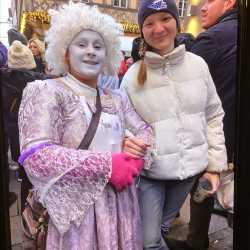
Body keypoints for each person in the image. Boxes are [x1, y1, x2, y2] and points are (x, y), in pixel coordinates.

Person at [18, 3, 153, 249]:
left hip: (121, 204)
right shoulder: (46, 91)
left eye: (98, 46)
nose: (91, 51)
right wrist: (107, 164)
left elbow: (145, 132)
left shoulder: (117, 97)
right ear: (66, 52)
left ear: (107, 55)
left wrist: (135, 151)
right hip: (76, 215)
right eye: (82, 44)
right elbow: (35, 155)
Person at [120, 0, 228, 249]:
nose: (158, 29)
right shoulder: (132, 76)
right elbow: (120, 123)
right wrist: (130, 141)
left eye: (165, 19)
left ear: (176, 22)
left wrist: (214, 167)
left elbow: (213, 114)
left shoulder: (198, 65)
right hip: (151, 173)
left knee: (161, 229)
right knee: (149, 240)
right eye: (149, 23)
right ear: (142, 30)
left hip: (189, 171)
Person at [167, 0, 237, 249]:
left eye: (210, 0)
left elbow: (182, 75)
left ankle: (196, 239)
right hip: (230, 136)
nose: (202, 7)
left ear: (230, 2)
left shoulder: (214, 39)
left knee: (201, 184)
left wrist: (184, 41)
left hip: (212, 134)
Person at [1, 40, 52, 211]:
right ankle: (35, 215)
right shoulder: (35, 81)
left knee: (25, 179)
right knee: (37, 181)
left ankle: (25, 212)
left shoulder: (4, 78)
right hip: (34, 141)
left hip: (15, 138)